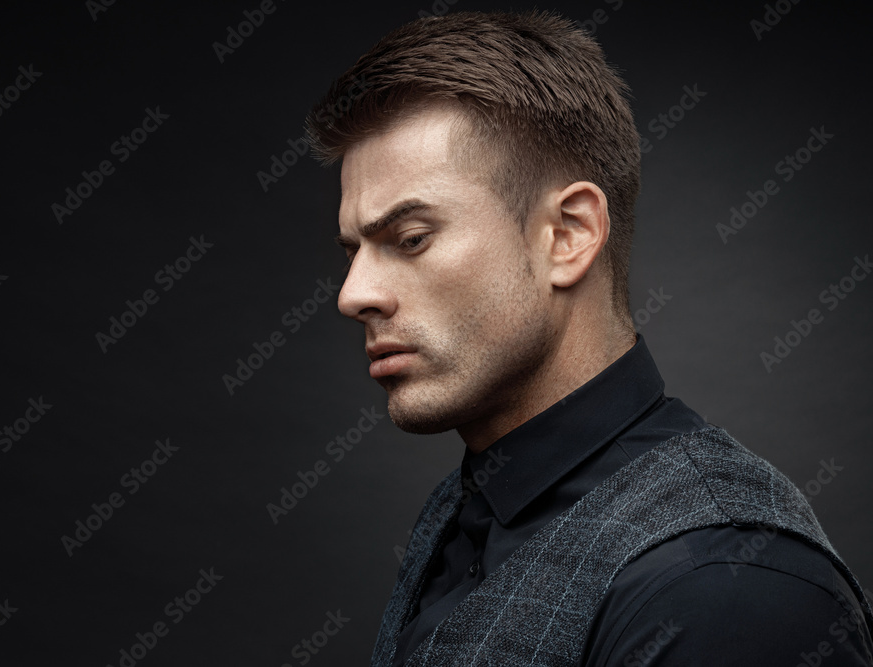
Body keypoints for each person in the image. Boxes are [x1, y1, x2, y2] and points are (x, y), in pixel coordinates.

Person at [304, 10, 873, 666]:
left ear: (569, 234)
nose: (352, 294)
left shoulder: (725, 588)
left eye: (409, 239)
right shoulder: (461, 510)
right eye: (354, 250)